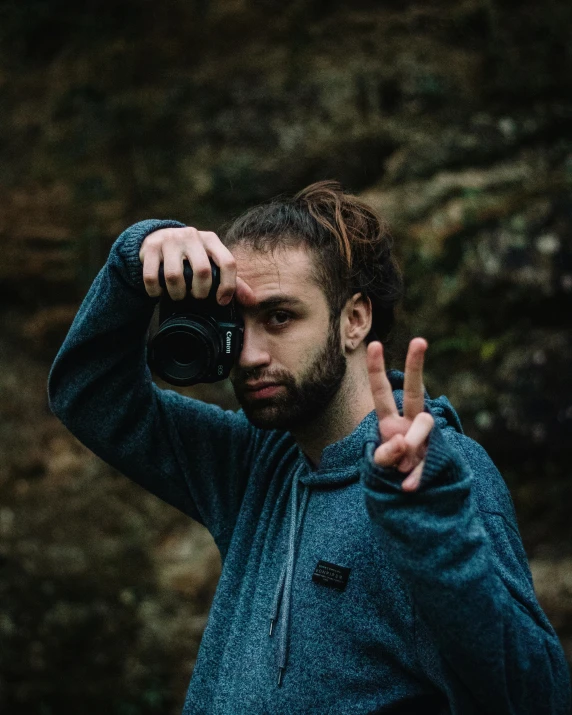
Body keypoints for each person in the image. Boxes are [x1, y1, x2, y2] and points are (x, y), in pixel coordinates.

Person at [47, 181, 571, 714]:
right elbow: (93, 397)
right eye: (237, 322)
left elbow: (536, 699)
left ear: (354, 320)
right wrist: (133, 262)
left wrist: (433, 535)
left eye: (279, 317)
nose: (248, 355)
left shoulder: (436, 476)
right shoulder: (257, 465)